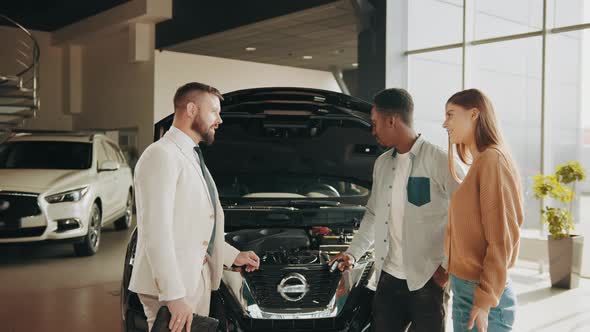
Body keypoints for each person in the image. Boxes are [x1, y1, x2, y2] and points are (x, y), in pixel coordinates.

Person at [129, 82, 260, 332]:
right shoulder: (161, 155)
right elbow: (155, 232)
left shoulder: (189, 154)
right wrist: (174, 295)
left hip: (193, 277)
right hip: (172, 286)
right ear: (191, 109)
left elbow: (195, 224)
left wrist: (232, 256)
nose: (219, 120)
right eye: (214, 111)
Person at [329, 88, 464, 332]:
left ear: (392, 120)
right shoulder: (382, 164)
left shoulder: (440, 161)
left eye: (375, 123)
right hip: (388, 277)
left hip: (428, 278)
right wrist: (352, 253)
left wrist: (447, 267)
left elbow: (467, 215)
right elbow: (373, 214)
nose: (373, 131)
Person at [443, 89, 523, 332]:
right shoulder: (479, 163)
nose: (445, 123)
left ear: (474, 114)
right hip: (465, 288)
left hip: (483, 295)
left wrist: (485, 298)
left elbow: (501, 239)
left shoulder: (493, 161)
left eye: (450, 115)